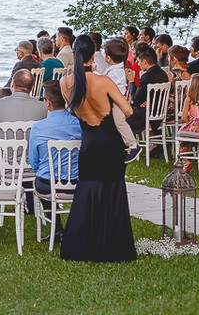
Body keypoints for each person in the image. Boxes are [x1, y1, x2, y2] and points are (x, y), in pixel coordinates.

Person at [58, 34, 136, 263]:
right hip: (111, 143)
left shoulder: (65, 84)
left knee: (87, 192)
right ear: (93, 57)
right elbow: (128, 111)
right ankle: (113, 246)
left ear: (75, 55)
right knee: (113, 191)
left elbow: (73, 110)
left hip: (89, 144)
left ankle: (81, 246)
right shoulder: (104, 82)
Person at [28, 81, 82, 235]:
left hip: (47, 185)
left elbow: (33, 162)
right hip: (76, 182)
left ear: (48, 103)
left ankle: (57, 228)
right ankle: (70, 228)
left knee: (41, 179)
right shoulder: (79, 123)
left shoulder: (38, 128)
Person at [0, 69, 47, 135]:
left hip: (2, 142)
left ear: (13, 83)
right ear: (32, 88)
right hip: (30, 142)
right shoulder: (43, 107)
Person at [126, 44, 169, 134]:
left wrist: (131, 82)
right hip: (160, 112)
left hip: (146, 114)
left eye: (139, 62)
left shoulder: (147, 76)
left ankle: (125, 140)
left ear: (145, 62)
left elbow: (136, 100)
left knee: (123, 111)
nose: (138, 64)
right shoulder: (163, 73)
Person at [178, 74, 199, 138]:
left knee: (183, 131)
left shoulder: (190, 99)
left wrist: (192, 121)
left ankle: (186, 144)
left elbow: (184, 118)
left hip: (195, 128)